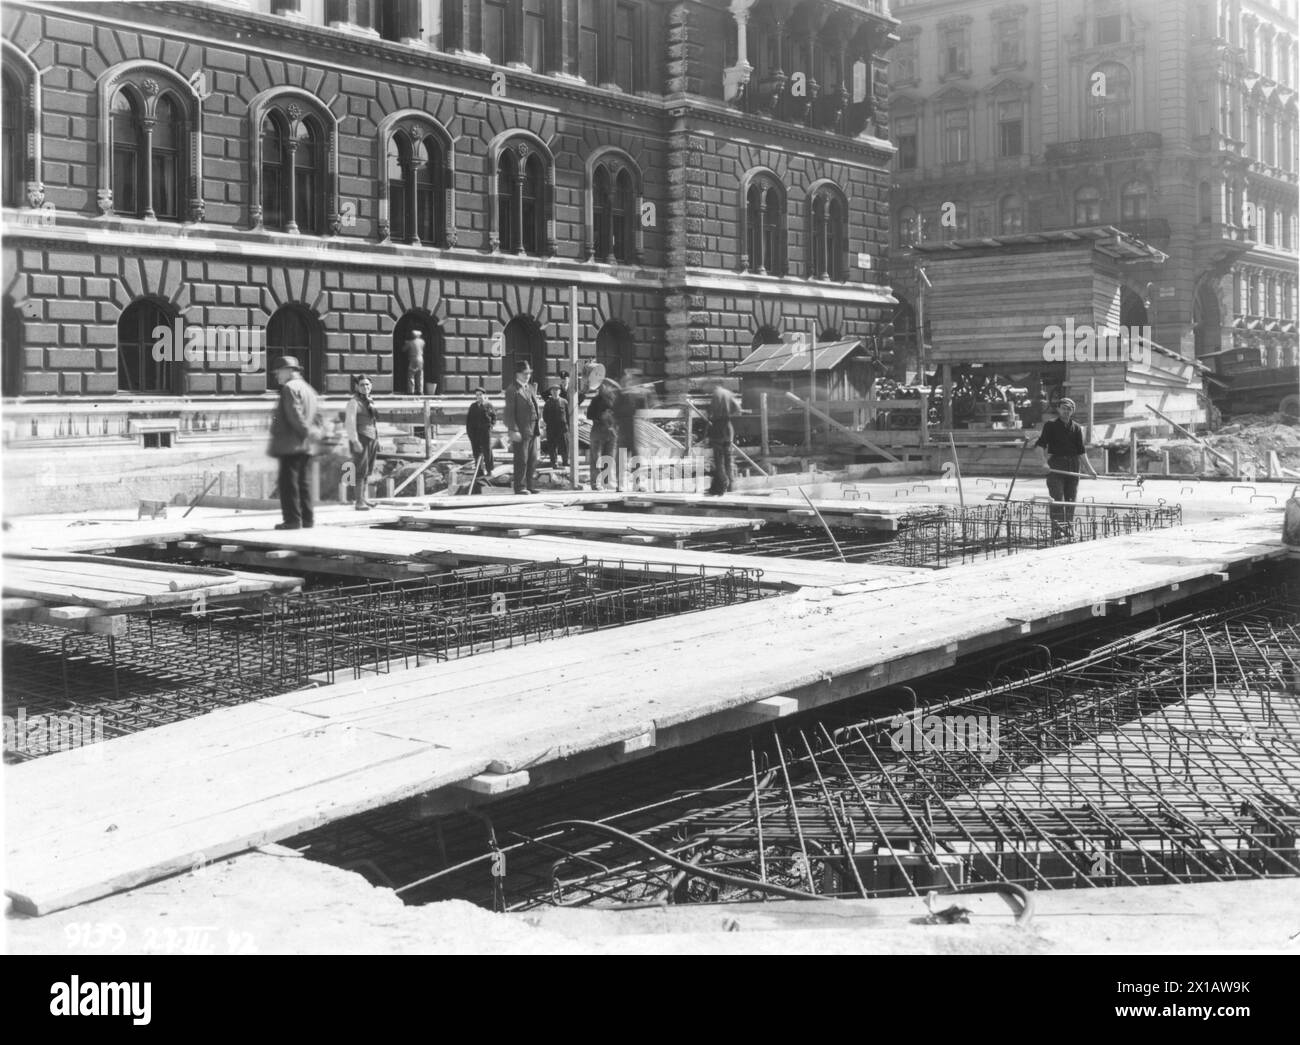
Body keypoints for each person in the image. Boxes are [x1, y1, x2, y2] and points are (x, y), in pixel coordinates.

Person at [267, 355, 323, 529]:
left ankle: (292, 520)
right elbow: (318, 416)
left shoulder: (289, 388)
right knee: (303, 483)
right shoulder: (309, 389)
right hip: (306, 445)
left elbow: (294, 415)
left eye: (278, 372)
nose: (276, 376)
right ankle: (307, 519)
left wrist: (305, 432)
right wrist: (315, 434)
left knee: (288, 484)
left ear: (288, 371)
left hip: (291, 444)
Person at [1035, 396, 1098, 541]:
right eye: (1063, 408)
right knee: (1057, 498)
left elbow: (1081, 451)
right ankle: (1057, 530)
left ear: (1072, 411)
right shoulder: (1050, 425)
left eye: (1069, 409)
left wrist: (1090, 470)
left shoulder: (1076, 428)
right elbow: (1040, 446)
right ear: (1058, 409)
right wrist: (1043, 463)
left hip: (1073, 466)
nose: (1066, 411)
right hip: (1056, 465)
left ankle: (1068, 529)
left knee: (1070, 499)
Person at [503, 359, 542, 494]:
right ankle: (520, 487)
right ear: (517, 374)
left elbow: (535, 407)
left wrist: (539, 425)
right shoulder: (512, 390)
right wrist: (513, 430)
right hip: (521, 429)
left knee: (532, 459)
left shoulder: (530, 388)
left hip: (533, 429)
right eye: (525, 373)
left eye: (529, 373)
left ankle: (530, 485)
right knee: (521, 459)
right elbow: (509, 413)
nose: (528, 376)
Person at [344, 373, 379, 511]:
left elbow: (374, 422)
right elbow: (350, 423)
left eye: (367, 385)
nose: (365, 387)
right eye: (362, 385)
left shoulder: (370, 401)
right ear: (357, 387)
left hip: (372, 439)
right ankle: (359, 502)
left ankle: (364, 499)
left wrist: (378, 440)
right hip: (361, 438)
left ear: (371, 386)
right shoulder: (353, 402)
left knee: (367, 471)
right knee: (360, 470)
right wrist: (354, 441)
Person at [707, 384, 742, 496]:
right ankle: (731, 485)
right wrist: (728, 414)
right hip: (728, 428)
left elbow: (710, 412)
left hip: (717, 429)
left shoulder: (716, 395)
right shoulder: (728, 393)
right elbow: (738, 410)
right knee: (728, 459)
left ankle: (723, 484)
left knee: (718, 460)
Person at [586, 378, 619, 490]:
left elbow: (619, 414)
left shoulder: (614, 399)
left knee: (609, 458)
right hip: (598, 432)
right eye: (602, 386)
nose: (604, 388)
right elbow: (589, 415)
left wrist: (612, 415)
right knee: (597, 459)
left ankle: (606, 482)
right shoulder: (595, 400)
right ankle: (595, 483)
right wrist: (601, 415)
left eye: (606, 386)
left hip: (611, 433)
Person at [466, 386, 497, 481]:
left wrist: (490, 427)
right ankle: (479, 471)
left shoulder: (488, 405)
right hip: (475, 432)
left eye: (480, 395)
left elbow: (494, 418)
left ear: (484, 395)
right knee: (476, 452)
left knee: (487, 450)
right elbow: (469, 420)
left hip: (485, 432)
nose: (479, 397)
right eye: (477, 395)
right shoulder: (473, 406)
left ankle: (489, 470)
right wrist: (470, 432)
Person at [543, 385, 570, 470]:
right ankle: (554, 462)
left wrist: (568, 426)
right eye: (553, 390)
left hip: (562, 428)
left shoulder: (564, 402)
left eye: (557, 390)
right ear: (551, 392)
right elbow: (545, 416)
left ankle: (565, 461)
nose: (555, 392)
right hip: (551, 428)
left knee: (564, 445)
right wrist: (549, 423)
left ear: (560, 392)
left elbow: (568, 415)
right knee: (552, 446)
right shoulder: (548, 403)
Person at [403, 330, 425, 395]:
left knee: (411, 375)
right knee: (420, 375)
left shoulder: (410, 342)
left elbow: (403, 349)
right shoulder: (422, 342)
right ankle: (420, 391)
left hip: (413, 359)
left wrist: (406, 343)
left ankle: (411, 391)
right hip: (421, 359)